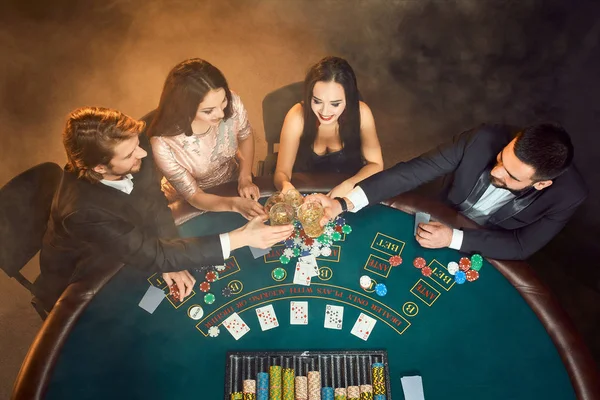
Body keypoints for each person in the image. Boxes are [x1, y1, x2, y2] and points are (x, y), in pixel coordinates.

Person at [38, 107, 293, 310]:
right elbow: (151, 254)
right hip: (87, 275)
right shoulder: (81, 211)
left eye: (137, 144)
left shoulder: (135, 148)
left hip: (134, 242)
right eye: (128, 155)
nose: (142, 153)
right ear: (99, 168)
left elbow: (154, 202)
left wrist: (172, 257)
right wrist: (242, 238)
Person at [309, 123, 587, 260]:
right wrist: (344, 204)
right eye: (502, 157)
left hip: (481, 242)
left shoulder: (568, 195)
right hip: (439, 209)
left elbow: (522, 245)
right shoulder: (482, 139)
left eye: (510, 175)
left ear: (540, 184)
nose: (495, 171)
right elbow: (412, 171)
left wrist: (454, 238)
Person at [147, 58, 263, 220]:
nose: (222, 114)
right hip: (193, 201)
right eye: (208, 111)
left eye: (223, 101)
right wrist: (233, 204)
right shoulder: (163, 143)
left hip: (233, 179)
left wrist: (245, 178)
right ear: (185, 109)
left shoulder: (233, 102)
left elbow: (245, 135)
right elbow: (194, 195)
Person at [274, 56, 383, 199]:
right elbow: (282, 172)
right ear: (309, 96)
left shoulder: (362, 113)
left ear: (348, 100)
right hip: (303, 195)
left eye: (335, 104)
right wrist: (285, 186)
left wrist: (349, 185)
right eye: (317, 101)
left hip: (348, 195)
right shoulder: (297, 116)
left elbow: (376, 164)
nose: (325, 112)